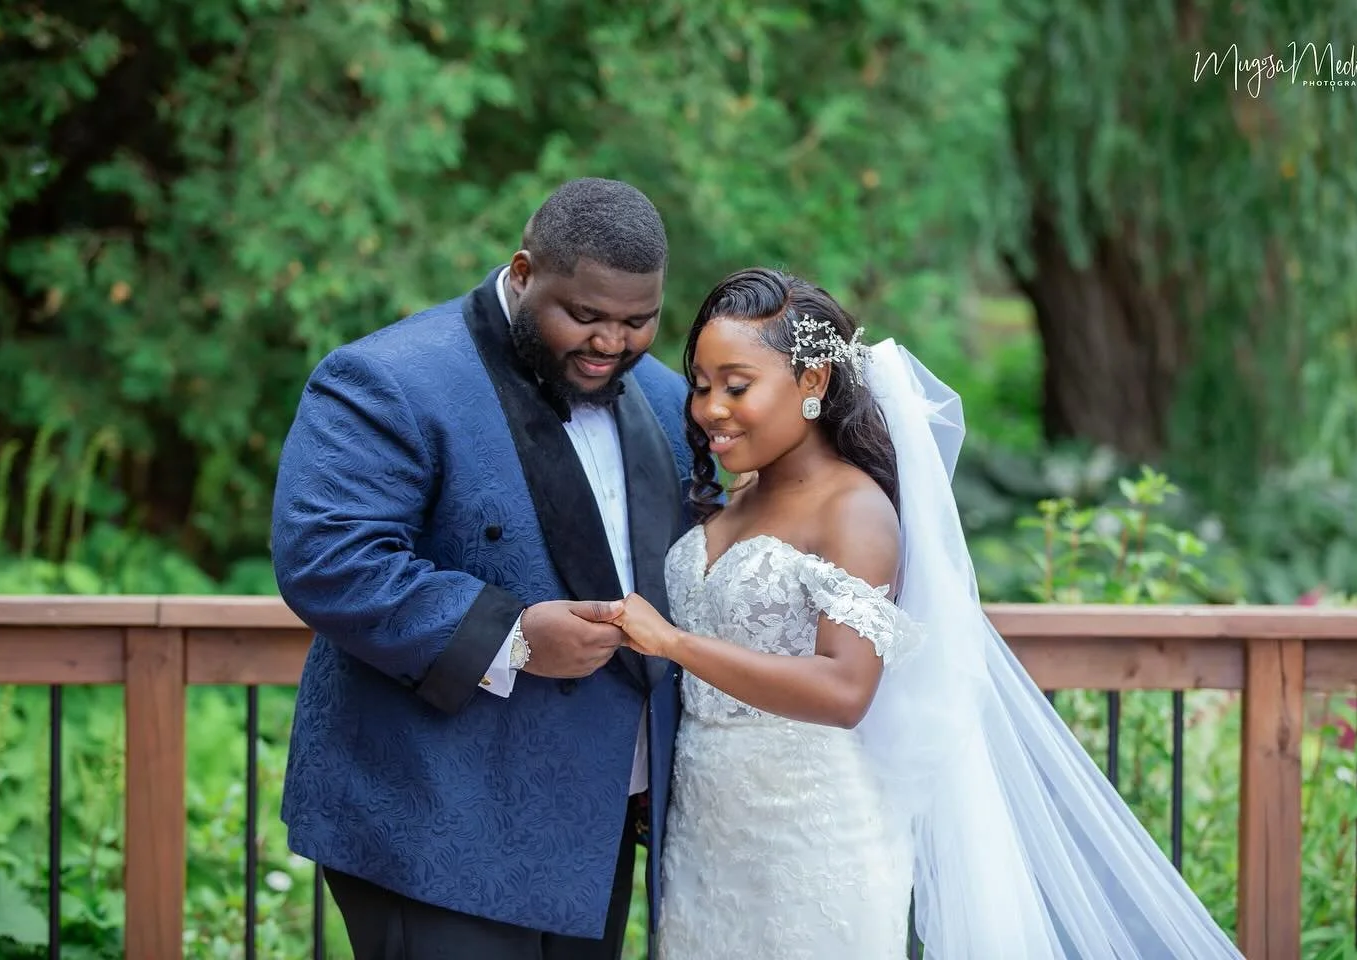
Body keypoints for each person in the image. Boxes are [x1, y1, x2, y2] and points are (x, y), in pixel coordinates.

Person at [611, 267, 1246, 958]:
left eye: (737, 386)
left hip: (809, 840)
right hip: (704, 836)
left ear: (813, 380)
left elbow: (845, 689)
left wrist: (672, 643)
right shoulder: (738, 497)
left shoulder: (854, 511)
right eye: (702, 386)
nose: (710, 409)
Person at [270, 178, 693, 959]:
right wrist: (514, 636)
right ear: (524, 273)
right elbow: (329, 558)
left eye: (638, 321)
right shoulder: (386, 378)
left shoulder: (671, 401)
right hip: (434, 819)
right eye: (586, 316)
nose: (612, 343)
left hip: (598, 822)